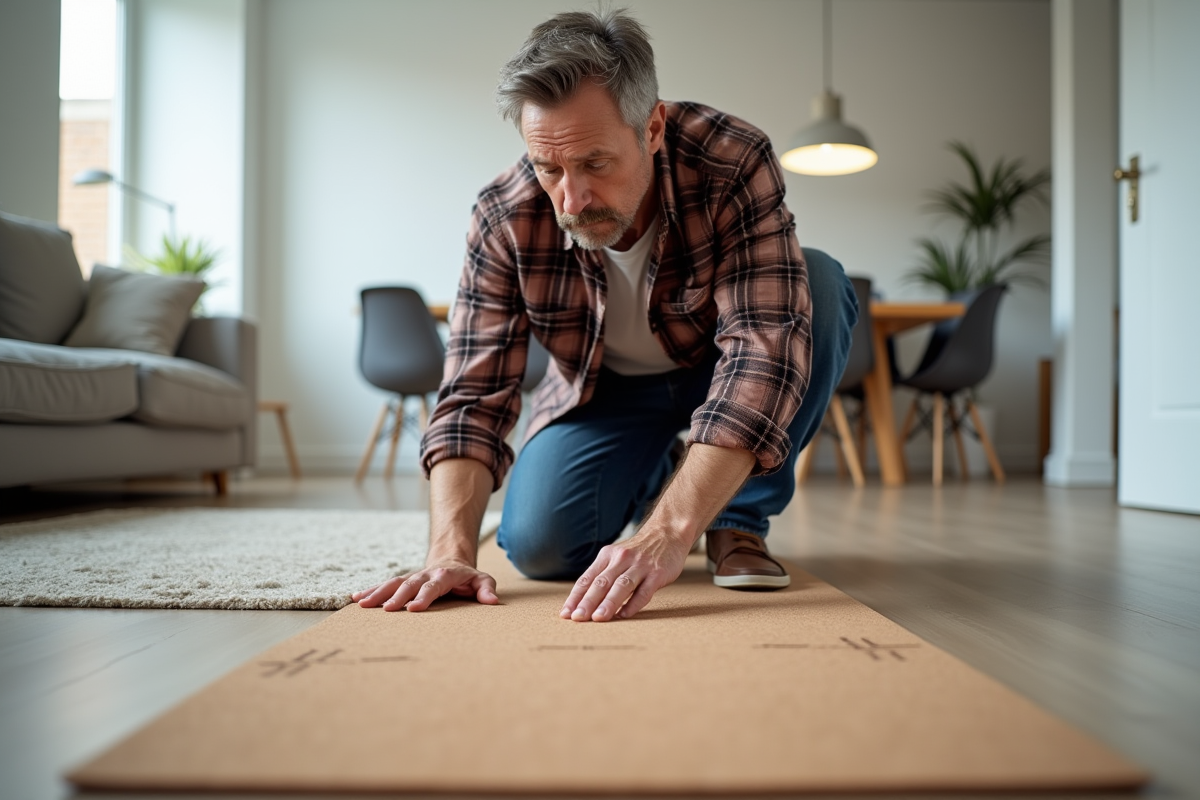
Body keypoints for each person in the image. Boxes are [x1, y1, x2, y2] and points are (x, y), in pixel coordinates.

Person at [353, 9, 856, 623]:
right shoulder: (503, 215)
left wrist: (668, 535)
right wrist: (449, 550)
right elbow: (472, 397)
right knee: (539, 547)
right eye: (549, 167)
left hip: (718, 367)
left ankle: (736, 518)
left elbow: (764, 349)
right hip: (601, 394)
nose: (572, 199)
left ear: (652, 128)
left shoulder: (732, 159)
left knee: (821, 281)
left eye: (595, 163)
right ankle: (672, 475)